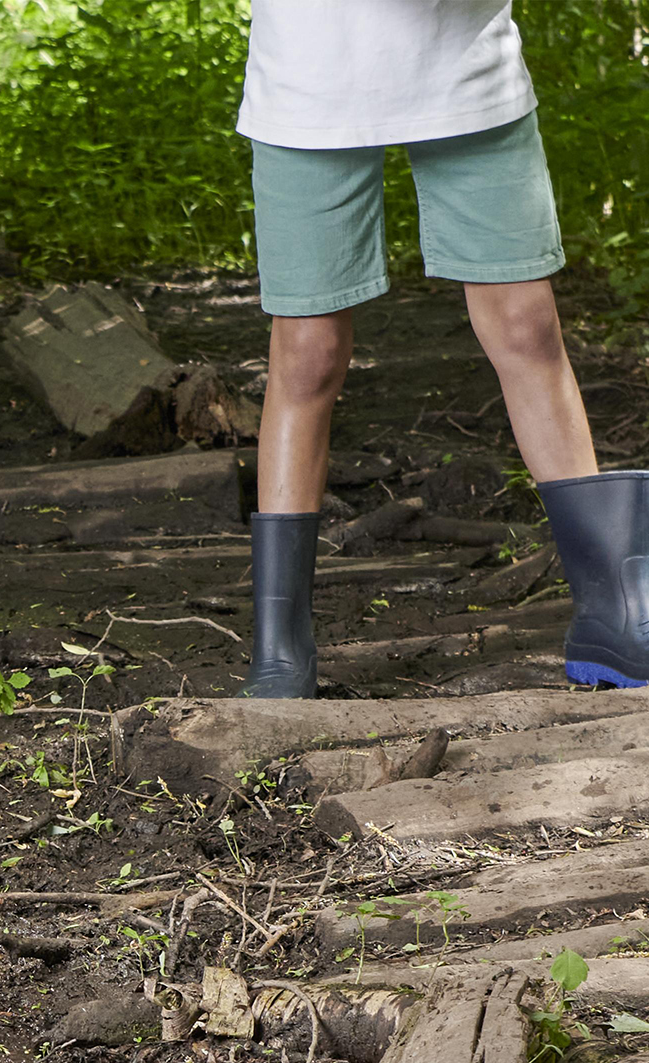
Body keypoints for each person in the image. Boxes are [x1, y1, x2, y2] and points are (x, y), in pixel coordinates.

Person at [237, 0, 649, 698]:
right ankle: (282, 649)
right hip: (306, 80)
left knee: (526, 324)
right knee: (307, 350)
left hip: (470, 72)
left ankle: (613, 608)